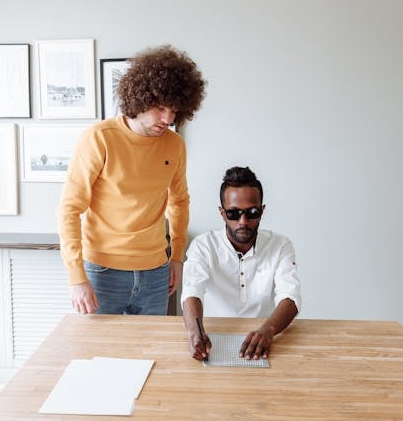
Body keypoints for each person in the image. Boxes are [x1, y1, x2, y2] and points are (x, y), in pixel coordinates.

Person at [57, 44, 206, 316]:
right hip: (102, 271)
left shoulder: (174, 145)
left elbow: (180, 202)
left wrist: (176, 257)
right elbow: (69, 209)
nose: (168, 119)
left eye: (174, 110)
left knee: (152, 353)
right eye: (160, 108)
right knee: (100, 354)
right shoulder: (99, 138)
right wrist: (76, 277)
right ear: (139, 98)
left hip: (156, 272)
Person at [181, 166, 301, 361]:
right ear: (222, 213)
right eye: (234, 214)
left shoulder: (280, 245)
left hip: (267, 338)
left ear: (262, 211)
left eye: (252, 212)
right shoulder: (204, 246)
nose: (243, 221)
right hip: (213, 339)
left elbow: (291, 296)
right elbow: (192, 290)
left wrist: (269, 330)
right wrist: (195, 331)